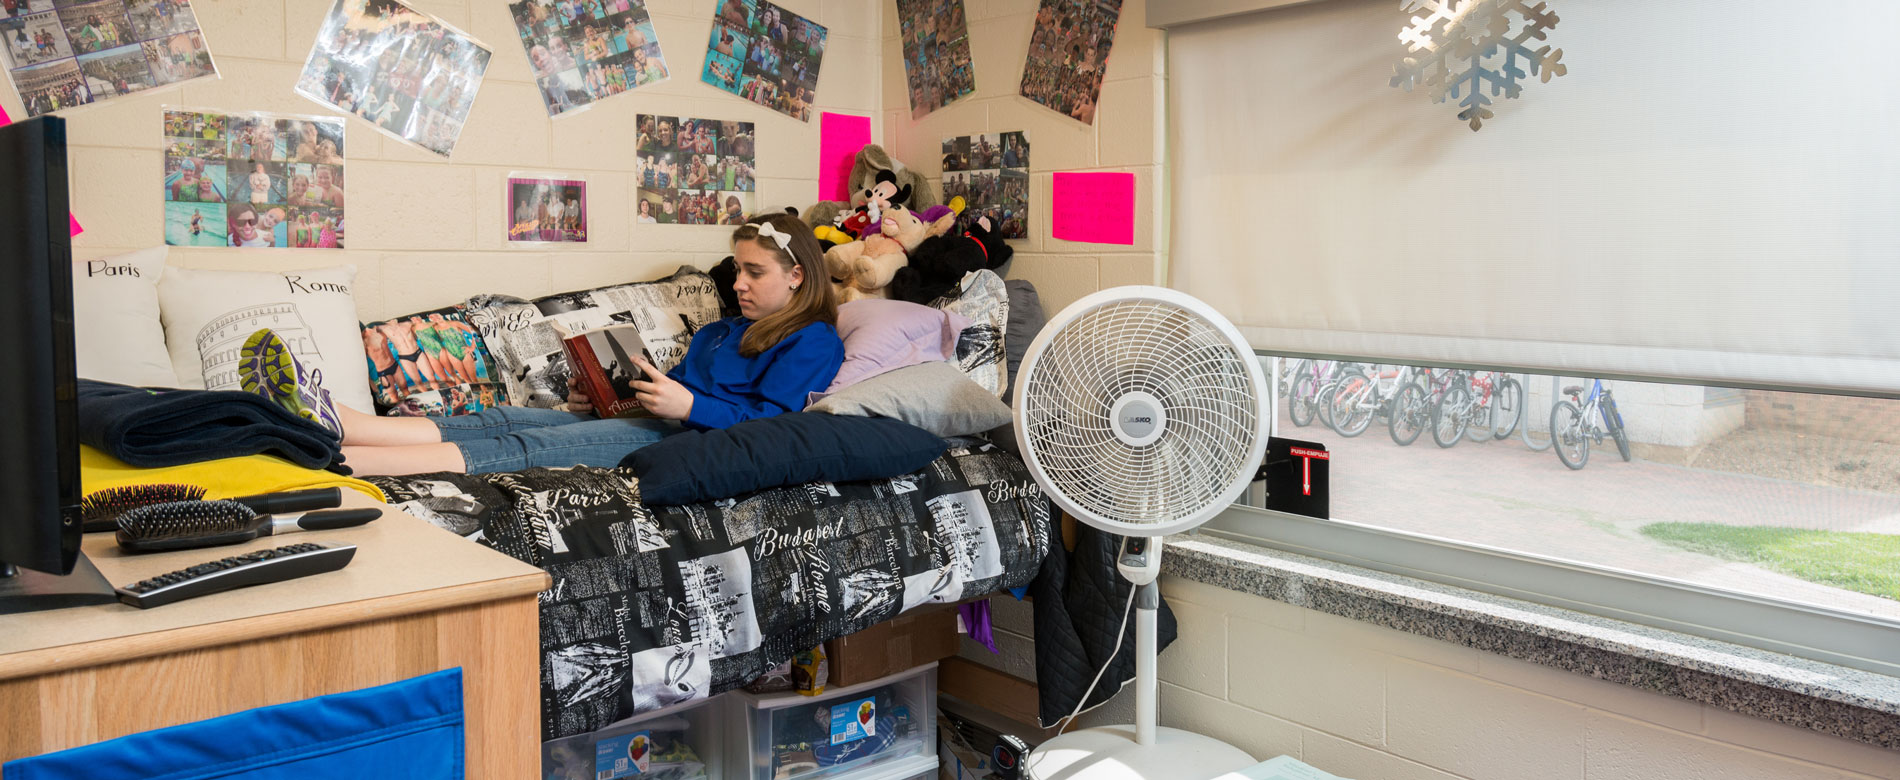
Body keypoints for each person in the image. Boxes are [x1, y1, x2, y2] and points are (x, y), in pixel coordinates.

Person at [253, 214, 843, 475]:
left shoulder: (811, 341)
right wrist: (619, 394)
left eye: (753, 272)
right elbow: (679, 389)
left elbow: (775, 427)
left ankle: (347, 460)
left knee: (531, 442)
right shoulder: (720, 330)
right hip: (659, 422)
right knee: (512, 413)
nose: (736, 283)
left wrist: (687, 407)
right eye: (736, 269)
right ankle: (337, 421)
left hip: (685, 443)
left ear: (797, 275)